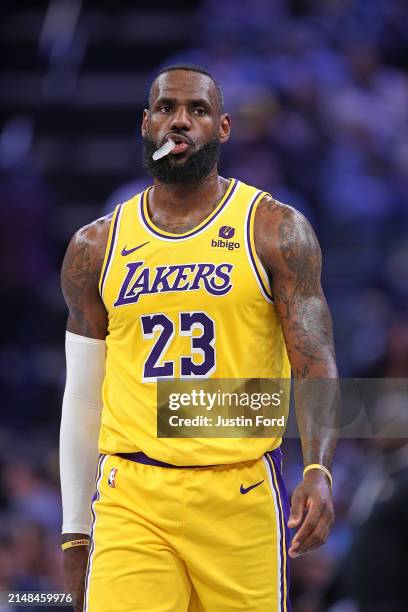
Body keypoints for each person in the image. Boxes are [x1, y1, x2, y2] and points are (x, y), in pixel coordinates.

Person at [59, 64, 338, 612]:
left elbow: (315, 361)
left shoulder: (274, 228)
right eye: (166, 109)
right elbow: (82, 394)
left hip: (238, 491)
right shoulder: (95, 245)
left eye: (198, 110)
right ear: (146, 124)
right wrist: (74, 531)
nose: (179, 122)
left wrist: (317, 469)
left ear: (224, 128)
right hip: (130, 495)